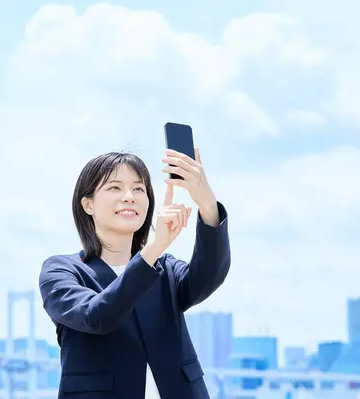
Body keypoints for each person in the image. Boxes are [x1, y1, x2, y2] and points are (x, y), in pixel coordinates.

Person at [38, 148, 231, 399]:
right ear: (88, 204)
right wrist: (152, 249)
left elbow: (207, 277)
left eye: (139, 189)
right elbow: (97, 316)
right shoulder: (62, 271)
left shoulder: (165, 269)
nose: (129, 197)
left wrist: (207, 205)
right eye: (115, 188)